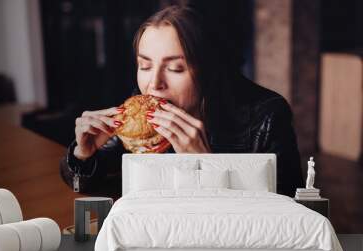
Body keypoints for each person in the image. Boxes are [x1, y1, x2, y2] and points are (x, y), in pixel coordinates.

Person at [60, 5, 303, 198]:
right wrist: (83, 155)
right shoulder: (141, 111)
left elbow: (291, 215)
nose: (154, 83)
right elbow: (86, 184)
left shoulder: (268, 116)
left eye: (175, 69)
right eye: (144, 65)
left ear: (208, 71)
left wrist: (209, 168)